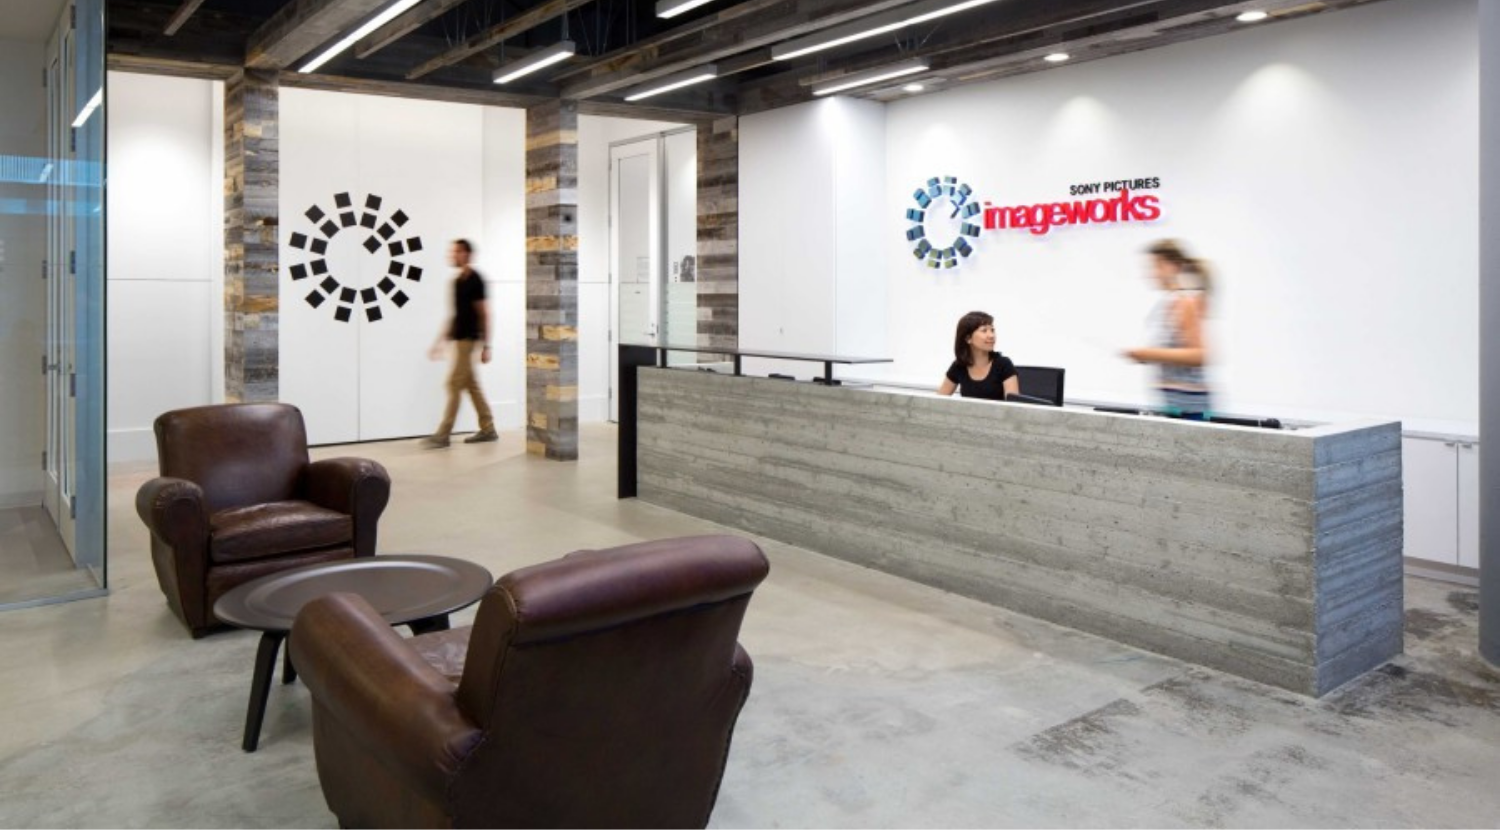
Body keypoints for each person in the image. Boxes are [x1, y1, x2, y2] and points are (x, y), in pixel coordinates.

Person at [1124, 239, 1212, 418]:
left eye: (1157, 266)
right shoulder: (1166, 303)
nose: (1151, 273)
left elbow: (1199, 355)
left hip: (1189, 406)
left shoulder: (1186, 301)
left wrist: (1148, 354)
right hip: (1170, 402)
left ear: (1174, 266)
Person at [422, 239, 497, 448]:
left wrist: (487, 346)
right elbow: (455, 315)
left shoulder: (476, 280)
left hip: (469, 341)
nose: (452, 255)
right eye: (452, 251)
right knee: (471, 385)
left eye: (456, 252)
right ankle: (488, 428)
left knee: (454, 384)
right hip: (459, 339)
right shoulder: (456, 282)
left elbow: (484, 313)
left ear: (467, 254)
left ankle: (443, 434)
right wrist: (440, 342)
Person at [938, 311, 1020, 401]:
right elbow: (937, 401)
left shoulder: (1004, 364)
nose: (991, 335)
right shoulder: (959, 366)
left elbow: (1013, 408)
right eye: (984, 331)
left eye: (992, 330)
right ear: (968, 338)